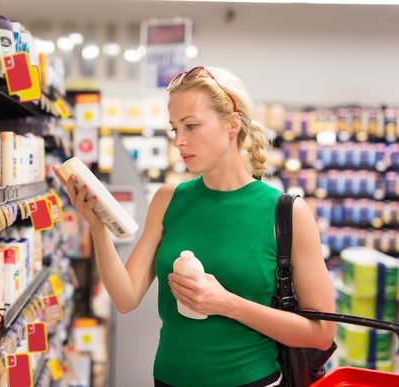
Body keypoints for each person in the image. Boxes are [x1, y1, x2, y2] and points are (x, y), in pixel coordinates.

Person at [54, 66, 335, 387]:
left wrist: (225, 303)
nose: (179, 141)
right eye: (174, 129)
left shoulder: (287, 212)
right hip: (168, 379)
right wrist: (97, 226)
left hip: (251, 381)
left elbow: (321, 334)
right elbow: (126, 298)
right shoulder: (168, 199)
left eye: (191, 126)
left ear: (232, 124)